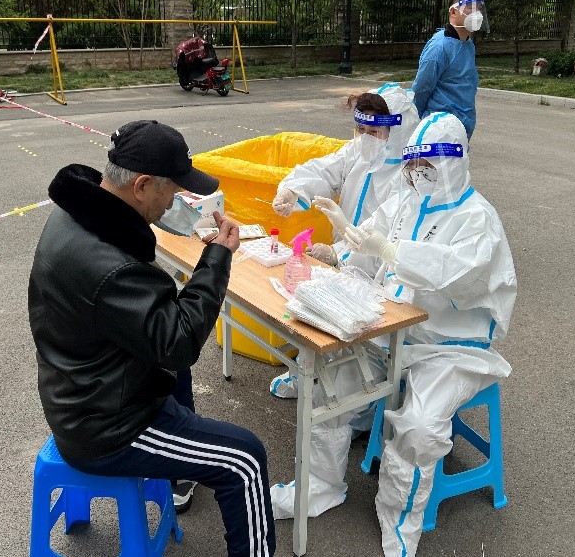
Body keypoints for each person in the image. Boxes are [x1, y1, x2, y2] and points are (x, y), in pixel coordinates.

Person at [271, 113, 516, 557]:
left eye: (427, 166)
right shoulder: (408, 199)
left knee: (419, 429)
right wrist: (343, 242)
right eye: (413, 165)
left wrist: (388, 250)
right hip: (390, 332)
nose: (418, 174)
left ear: (455, 162)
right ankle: (320, 487)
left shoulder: (478, 219)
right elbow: (372, 243)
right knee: (328, 385)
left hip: (450, 347)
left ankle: (399, 519)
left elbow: (456, 275)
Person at [29, 119, 275, 557]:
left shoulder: (74, 214)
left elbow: (157, 329)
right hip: (106, 425)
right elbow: (180, 342)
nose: (175, 201)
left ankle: (181, 471)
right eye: (173, 190)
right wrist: (216, 257)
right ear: (142, 185)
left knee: (176, 371)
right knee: (245, 459)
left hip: (79, 384)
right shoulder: (113, 267)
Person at [267, 84, 419, 398]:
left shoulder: (410, 177)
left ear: (399, 131)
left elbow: (387, 241)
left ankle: (351, 393)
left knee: (351, 339)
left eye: (373, 131)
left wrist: (338, 254)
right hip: (346, 263)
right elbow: (324, 169)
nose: (364, 138)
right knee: (311, 310)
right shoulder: (360, 153)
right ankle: (310, 376)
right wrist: (293, 190)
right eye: (360, 129)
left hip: (382, 278)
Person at [411, 0, 487, 139]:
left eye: (478, 8)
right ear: (453, 12)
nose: (476, 14)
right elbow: (421, 89)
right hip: (439, 129)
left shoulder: (467, 44)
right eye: (470, 8)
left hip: (462, 127)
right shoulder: (439, 47)